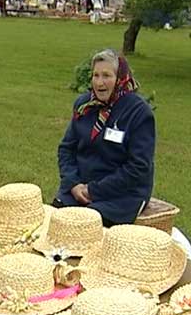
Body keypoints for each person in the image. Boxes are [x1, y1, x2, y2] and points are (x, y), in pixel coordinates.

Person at [54, 49, 155, 226]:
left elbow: (138, 167)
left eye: (107, 75)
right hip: (80, 188)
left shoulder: (138, 112)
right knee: (55, 222)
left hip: (121, 195)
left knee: (85, 226)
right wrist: (73, 183)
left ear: (120, 78)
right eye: (96, 75)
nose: (99, 82)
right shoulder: (84, 105)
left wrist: (93, 191)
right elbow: (66, 149)